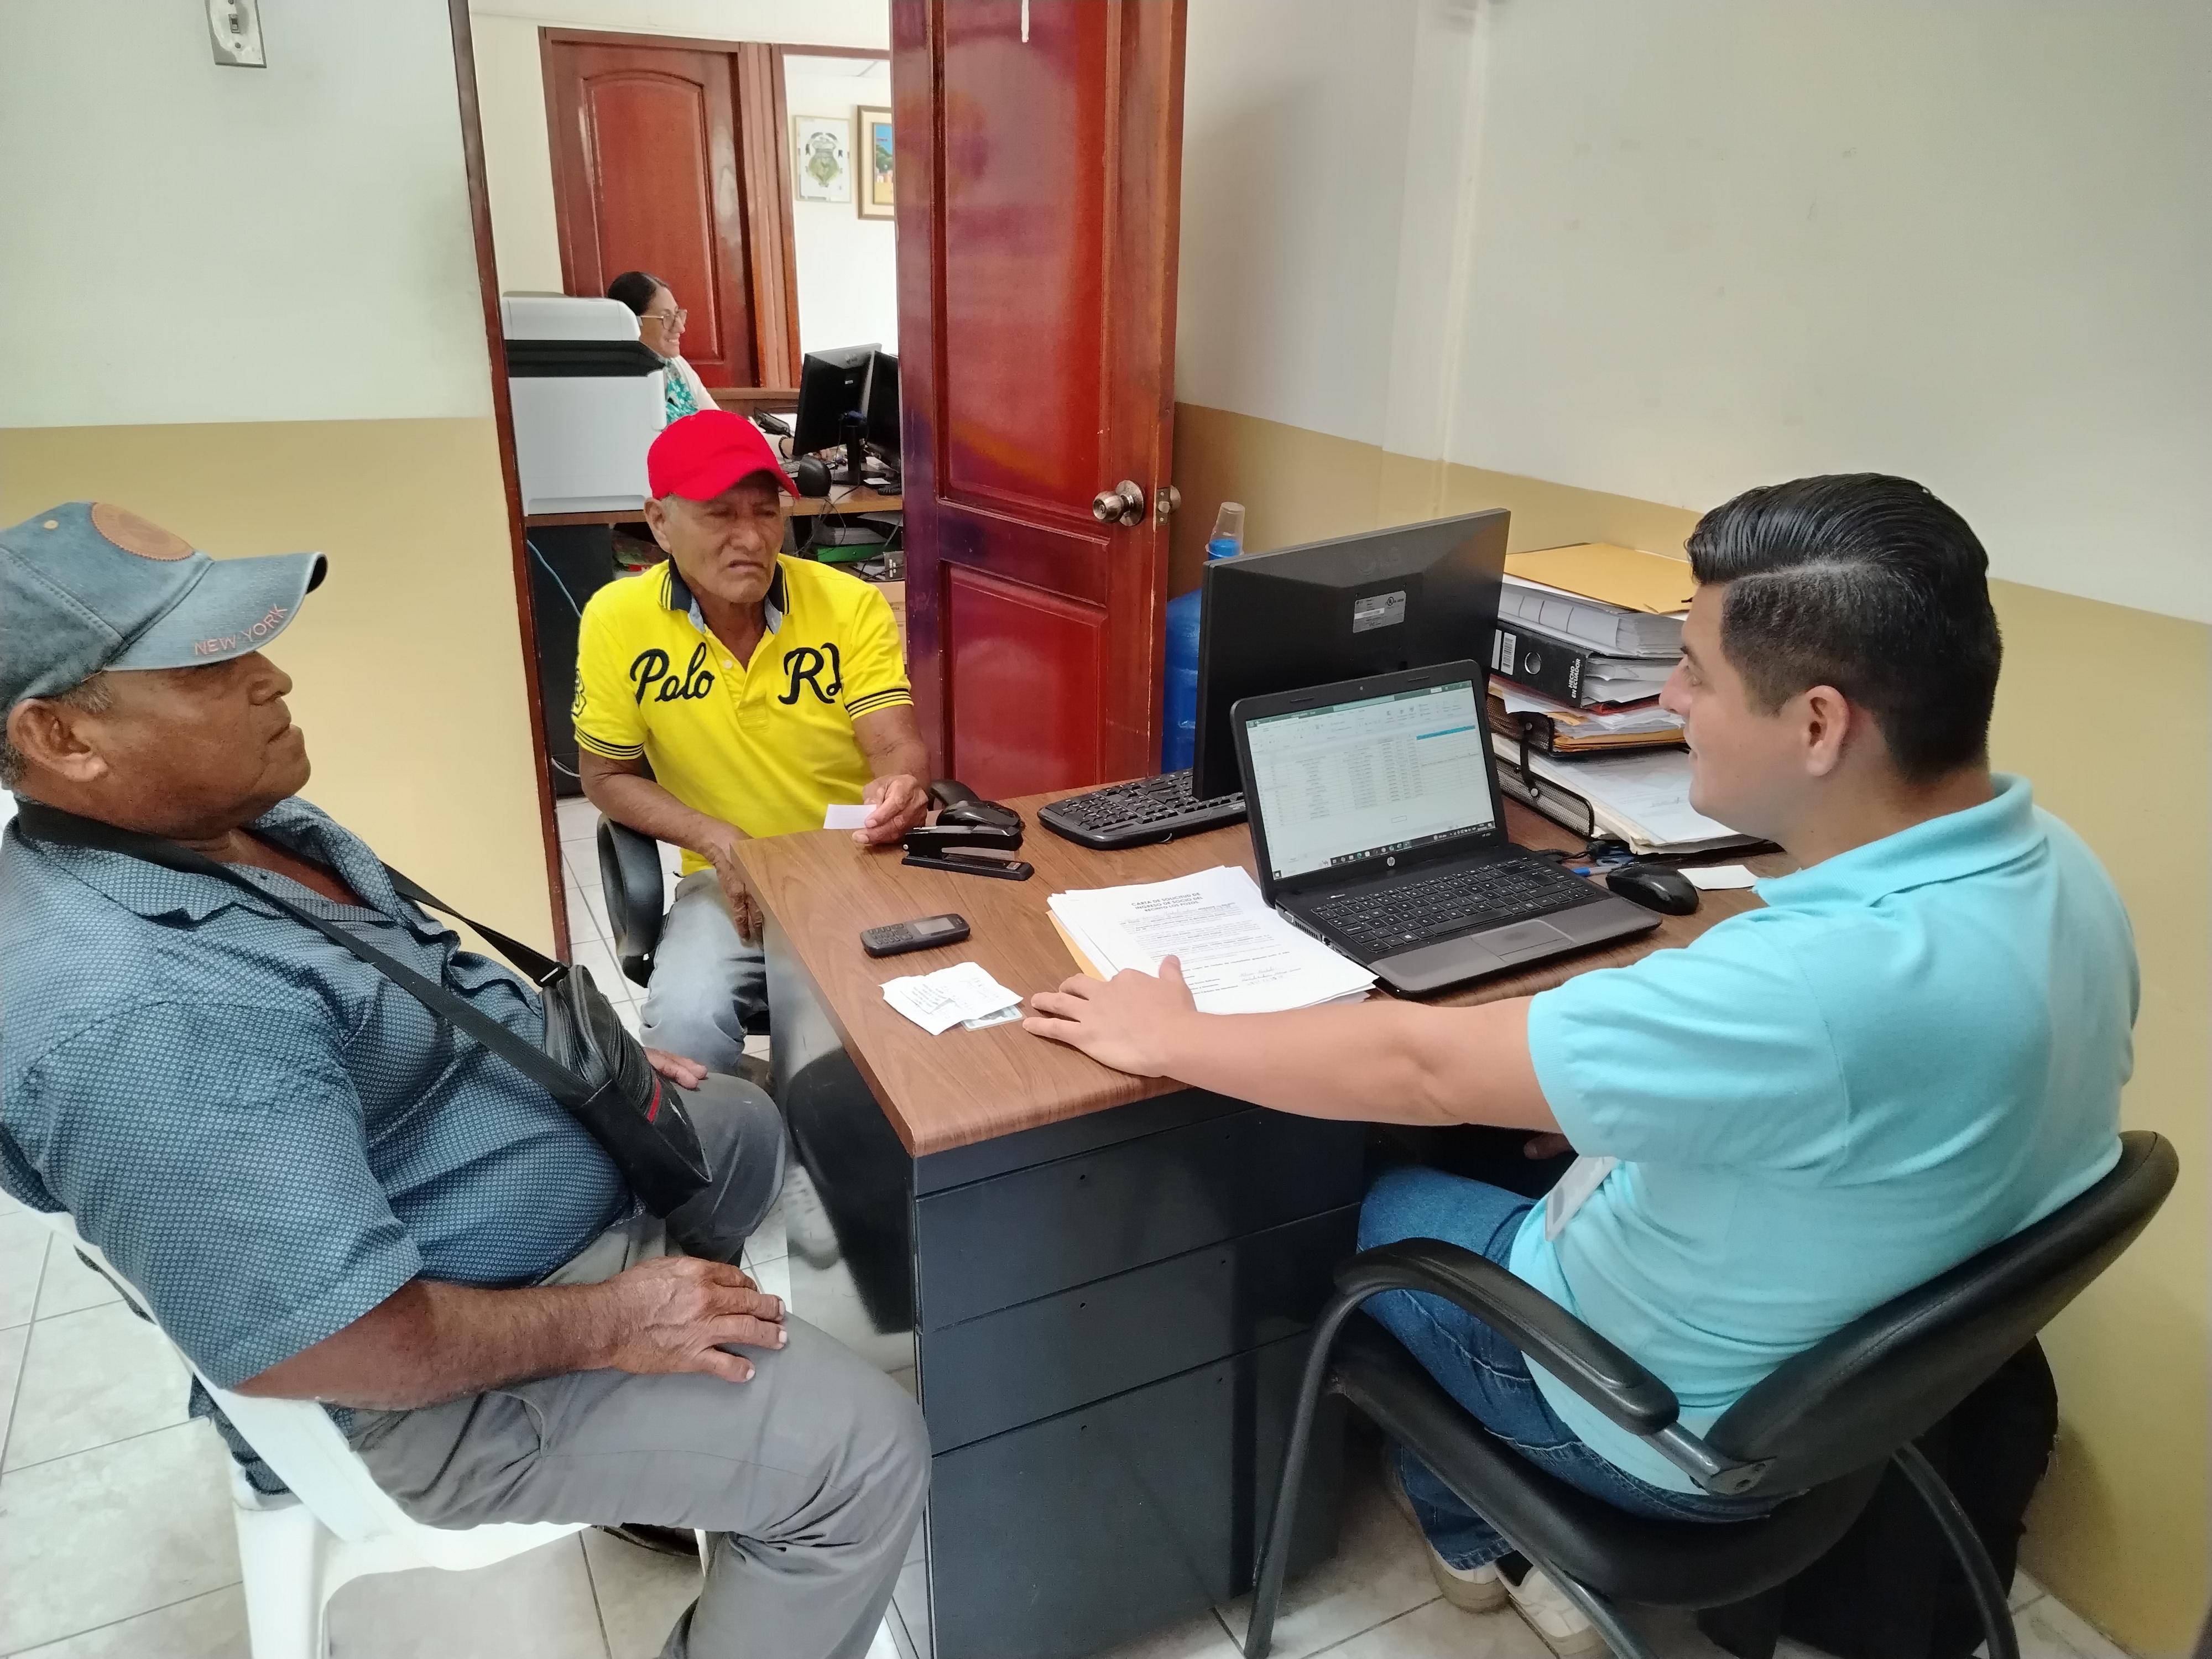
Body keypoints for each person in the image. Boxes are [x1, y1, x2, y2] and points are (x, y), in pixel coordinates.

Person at [1022, 474, 2133, 1655]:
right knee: (1497, 1131)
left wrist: (1168, 1035)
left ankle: (1470, 1521)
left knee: (1365, 1188)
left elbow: (1419, 1067)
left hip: (1646, 1425)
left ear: (1818, 725)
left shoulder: (1809, 990)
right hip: (1839, 1386)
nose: (1671, 698)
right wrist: (1629, 1093)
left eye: (1695, 672)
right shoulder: (2058, 868)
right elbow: (1852, 1096)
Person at [0, 502, 927, 1659]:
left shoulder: (236, 825)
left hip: (504, 1227)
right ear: (63, 738)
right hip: (439, 1382)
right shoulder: (140, 1014)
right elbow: (333, 1344)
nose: (271, 678)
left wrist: (577, 1054)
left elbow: (417, 987)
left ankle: (689, 1451)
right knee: (867, 1456)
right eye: (210, 667)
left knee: (740, 1122)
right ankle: (757, 1460)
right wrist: (612, 1321)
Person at [574, 409, 930, 1072]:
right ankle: (727, 1140)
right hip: (725, 878)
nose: (751, 538)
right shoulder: (617, 620)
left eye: (766, 514)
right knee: (684, 1029)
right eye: (719, 515)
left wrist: (902, 786)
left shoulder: (847, 604)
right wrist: (713, 837)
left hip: (857, 862)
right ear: (659, 523)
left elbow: (894, 748)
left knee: (910, 1031)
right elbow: (605, 776)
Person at [610, 269, 716, 426]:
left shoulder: (676, 366)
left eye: (677, 314)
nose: (680, 328)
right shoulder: (617, 387)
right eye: (666, 317)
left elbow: (719, 424)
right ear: (631, 323)